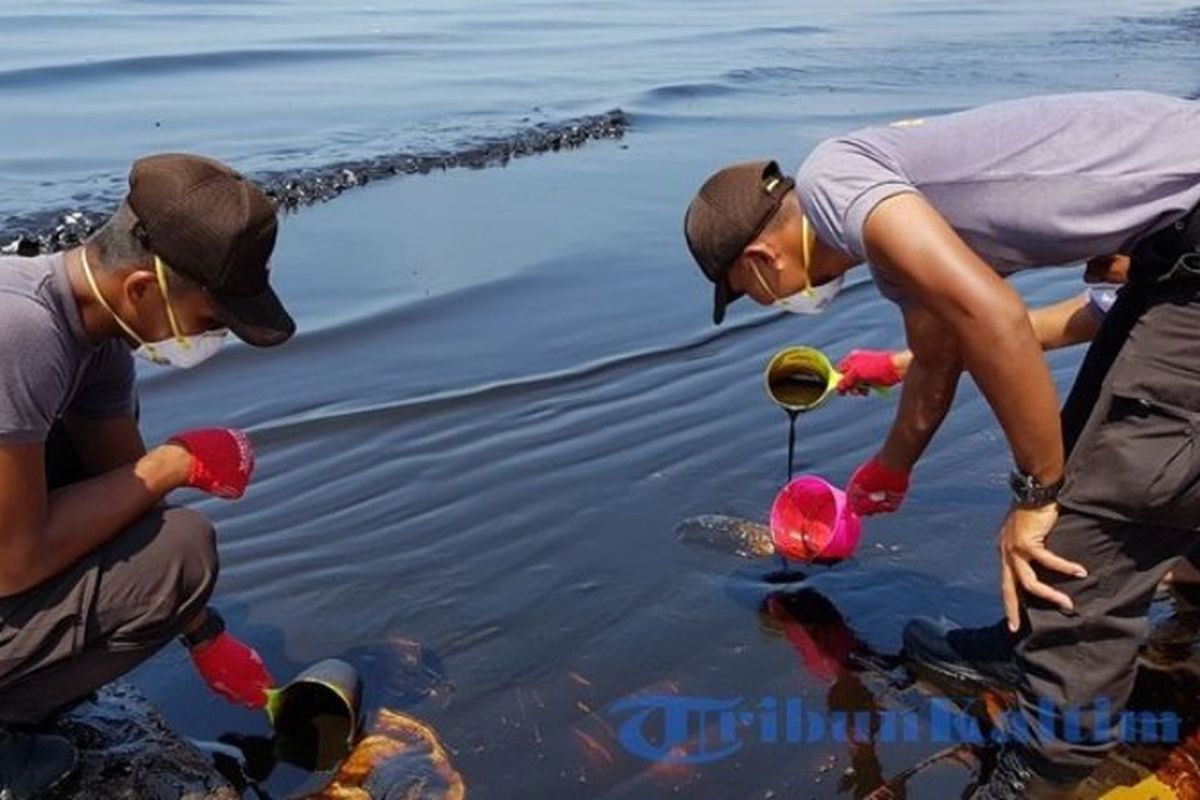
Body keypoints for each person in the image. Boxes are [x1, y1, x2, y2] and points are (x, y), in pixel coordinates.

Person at [683, 91, 1200, 797]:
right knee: (1110, 452)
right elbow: (938, 353)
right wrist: (891, 467)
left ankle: (1049, 762)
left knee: (1089, 523)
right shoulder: (885, 217)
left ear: (762, 257)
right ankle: (1028, 645)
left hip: (1188, 254)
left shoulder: (836, 183)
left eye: (749, 291)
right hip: (1170, 261)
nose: (769, 303)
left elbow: (994, 317)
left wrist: (1036, 494)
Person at [0, 153, 295, 799]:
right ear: (140, 288)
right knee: (183, 547)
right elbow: (13, 564)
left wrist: (203, 635)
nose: (212, 338)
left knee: (155, 532)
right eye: (211, 322)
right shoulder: (18, 331)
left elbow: (126, 506)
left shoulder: (96, 339)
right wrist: (175, 462)